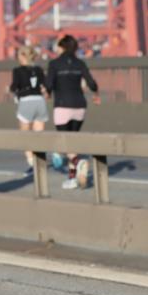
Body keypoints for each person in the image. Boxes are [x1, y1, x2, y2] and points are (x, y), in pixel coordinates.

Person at [46, 34, 100, 190]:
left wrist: (47, 92)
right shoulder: (80, 63)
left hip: (62, 105)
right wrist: (96, 95)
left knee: (66, 144)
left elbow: (49, 84)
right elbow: (91, 83)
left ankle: (78, 166)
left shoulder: (54, 64)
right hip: (79, 106)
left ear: (61, 47)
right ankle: (73, 176)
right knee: (72, 142)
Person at [10, 45, 49, 173]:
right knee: (39, 137)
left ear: (23, 56)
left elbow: (14, 86)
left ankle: (32, 162)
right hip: (40, 101)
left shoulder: (17, 70)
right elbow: (44, 85)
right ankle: (41, 163)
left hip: (26, 101)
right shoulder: (38, 69)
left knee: (25, 136)